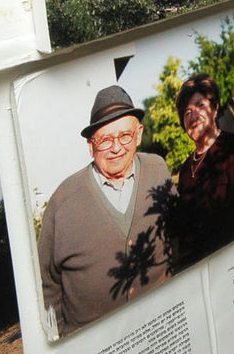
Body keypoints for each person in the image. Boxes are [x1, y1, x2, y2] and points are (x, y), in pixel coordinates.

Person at [38, 84, 174, 335]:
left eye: (125, 136)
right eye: (105, 140)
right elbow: (46, 284)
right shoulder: (62, 202)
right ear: (91, 146)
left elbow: (178, 234)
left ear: (139, 134)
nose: (116, 148)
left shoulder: (157, 169)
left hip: (163, 328)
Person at [173, 73, 234, 268]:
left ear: (215, 109)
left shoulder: (232, 147)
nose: (193, 115)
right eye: (186, 112)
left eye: (200, 105)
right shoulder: (185, 170)